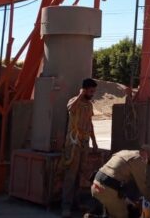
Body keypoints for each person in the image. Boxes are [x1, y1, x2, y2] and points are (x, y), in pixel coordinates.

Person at [61, 78, 99, 217]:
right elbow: (70, 108)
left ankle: (75, 203)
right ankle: (65, 206)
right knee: (70, 175)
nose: (92, 93)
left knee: (80, 174)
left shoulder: (89, 106)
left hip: (85, 142)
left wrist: (94, 142)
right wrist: (80, 95)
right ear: (84, 90)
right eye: (90, 91)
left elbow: (90, 123)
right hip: (73, 143)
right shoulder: (74, 101)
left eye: (94, 91)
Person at [91, 145, 150, 218]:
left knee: (112, 212)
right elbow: (143, 187)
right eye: (148, 161)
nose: (147, 164)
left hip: (96, 183)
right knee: (122, 215)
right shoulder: (139, 159)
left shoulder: (123, 152)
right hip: (108, 189)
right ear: (146, 155)